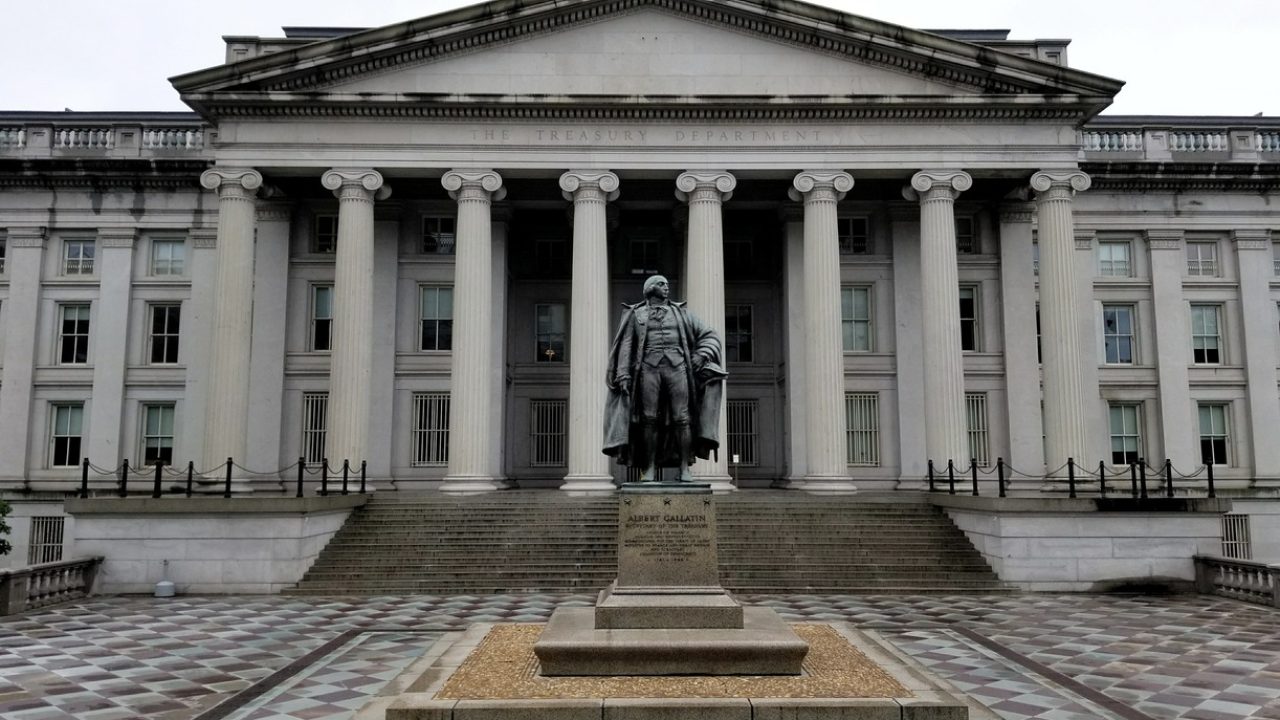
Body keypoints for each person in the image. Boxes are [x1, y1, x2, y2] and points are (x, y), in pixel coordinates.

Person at [603, 275, 726, 482]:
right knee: (648, 419)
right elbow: (626, 346)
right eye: (661, 284)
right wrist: (623, 374)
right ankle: (649, 468)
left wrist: (700, 355)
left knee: (682, 418)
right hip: (648, 370)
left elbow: (710, 335)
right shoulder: (636, 314)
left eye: (668, 284)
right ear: (650, 289)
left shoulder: (682, 313)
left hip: (678, 368)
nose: (667, 287)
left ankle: (685, 468)